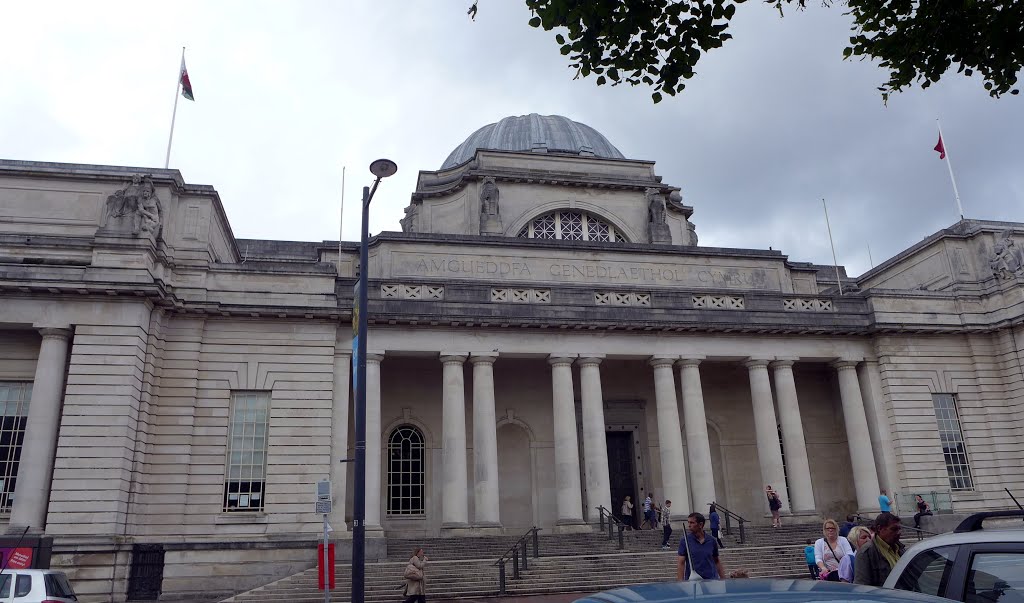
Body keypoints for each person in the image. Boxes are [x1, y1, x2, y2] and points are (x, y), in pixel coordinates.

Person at [855, 512, 906, 586]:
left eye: (899, 529)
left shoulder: (900, 549)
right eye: (894, 529)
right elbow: (862, 585)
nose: (898, 533)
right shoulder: (866, 553)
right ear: (879, 528)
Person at [677, 512, 725, 580]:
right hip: (693, 581)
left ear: (700, 524)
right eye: (688, 522)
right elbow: (681, 563)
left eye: (692, 523)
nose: (689, 525)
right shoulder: (684, 541)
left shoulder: (712, 541)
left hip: (711, 580)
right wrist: (681, 583)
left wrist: (723, 580)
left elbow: (717, 561)